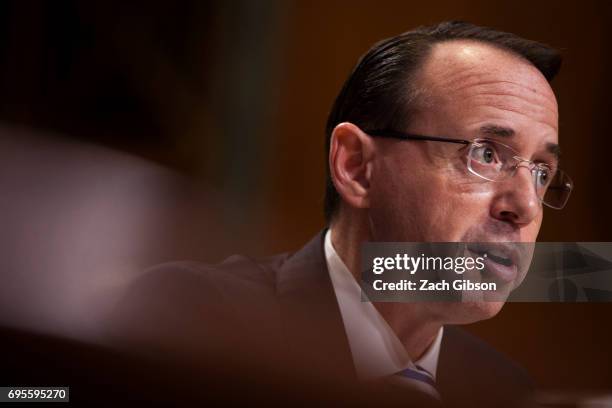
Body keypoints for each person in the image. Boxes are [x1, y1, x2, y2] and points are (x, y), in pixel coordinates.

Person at [109, 21, 572, 407]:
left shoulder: (502, 391)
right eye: (487, 154)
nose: (526, 207)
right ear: (356, 167)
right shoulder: (195, 324)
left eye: (541, 173)